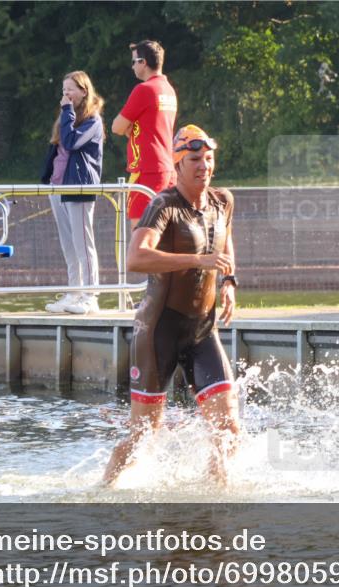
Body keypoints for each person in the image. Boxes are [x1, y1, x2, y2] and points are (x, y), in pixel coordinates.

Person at [103, 125, 239, 486]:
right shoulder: (163, 206)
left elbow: (224, 244)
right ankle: (102, 491)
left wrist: (228, 282)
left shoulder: (223, 201)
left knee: (229, 430)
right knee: (143, 435)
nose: (204, 167)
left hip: (201, 331)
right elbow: (136, 257)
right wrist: (197, 261)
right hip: (158, 332)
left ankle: (213, 504)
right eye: (194, 160)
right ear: (177, 165)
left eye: (209, 159)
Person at [40, 71, 105, 315]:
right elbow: (58, 146)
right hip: (58, 186)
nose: (66, 94)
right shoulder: (66, 117)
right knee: (68, 244)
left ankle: (91, 296)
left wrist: (66, 112)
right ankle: (73, 292)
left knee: (83, 243)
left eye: (71, 89)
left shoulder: (92, 120)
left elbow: (71, 142)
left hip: (78, 186)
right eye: (64, 90)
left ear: (84, 91)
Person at [111, 40, 177, 230]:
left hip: (146, 170)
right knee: (163, 232)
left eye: (134, 62)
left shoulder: (144, 90)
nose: (132, 67)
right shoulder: (169, 90)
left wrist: (128, 127)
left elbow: (116, 126)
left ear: (144, 62)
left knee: (140, 232)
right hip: (166, 168)